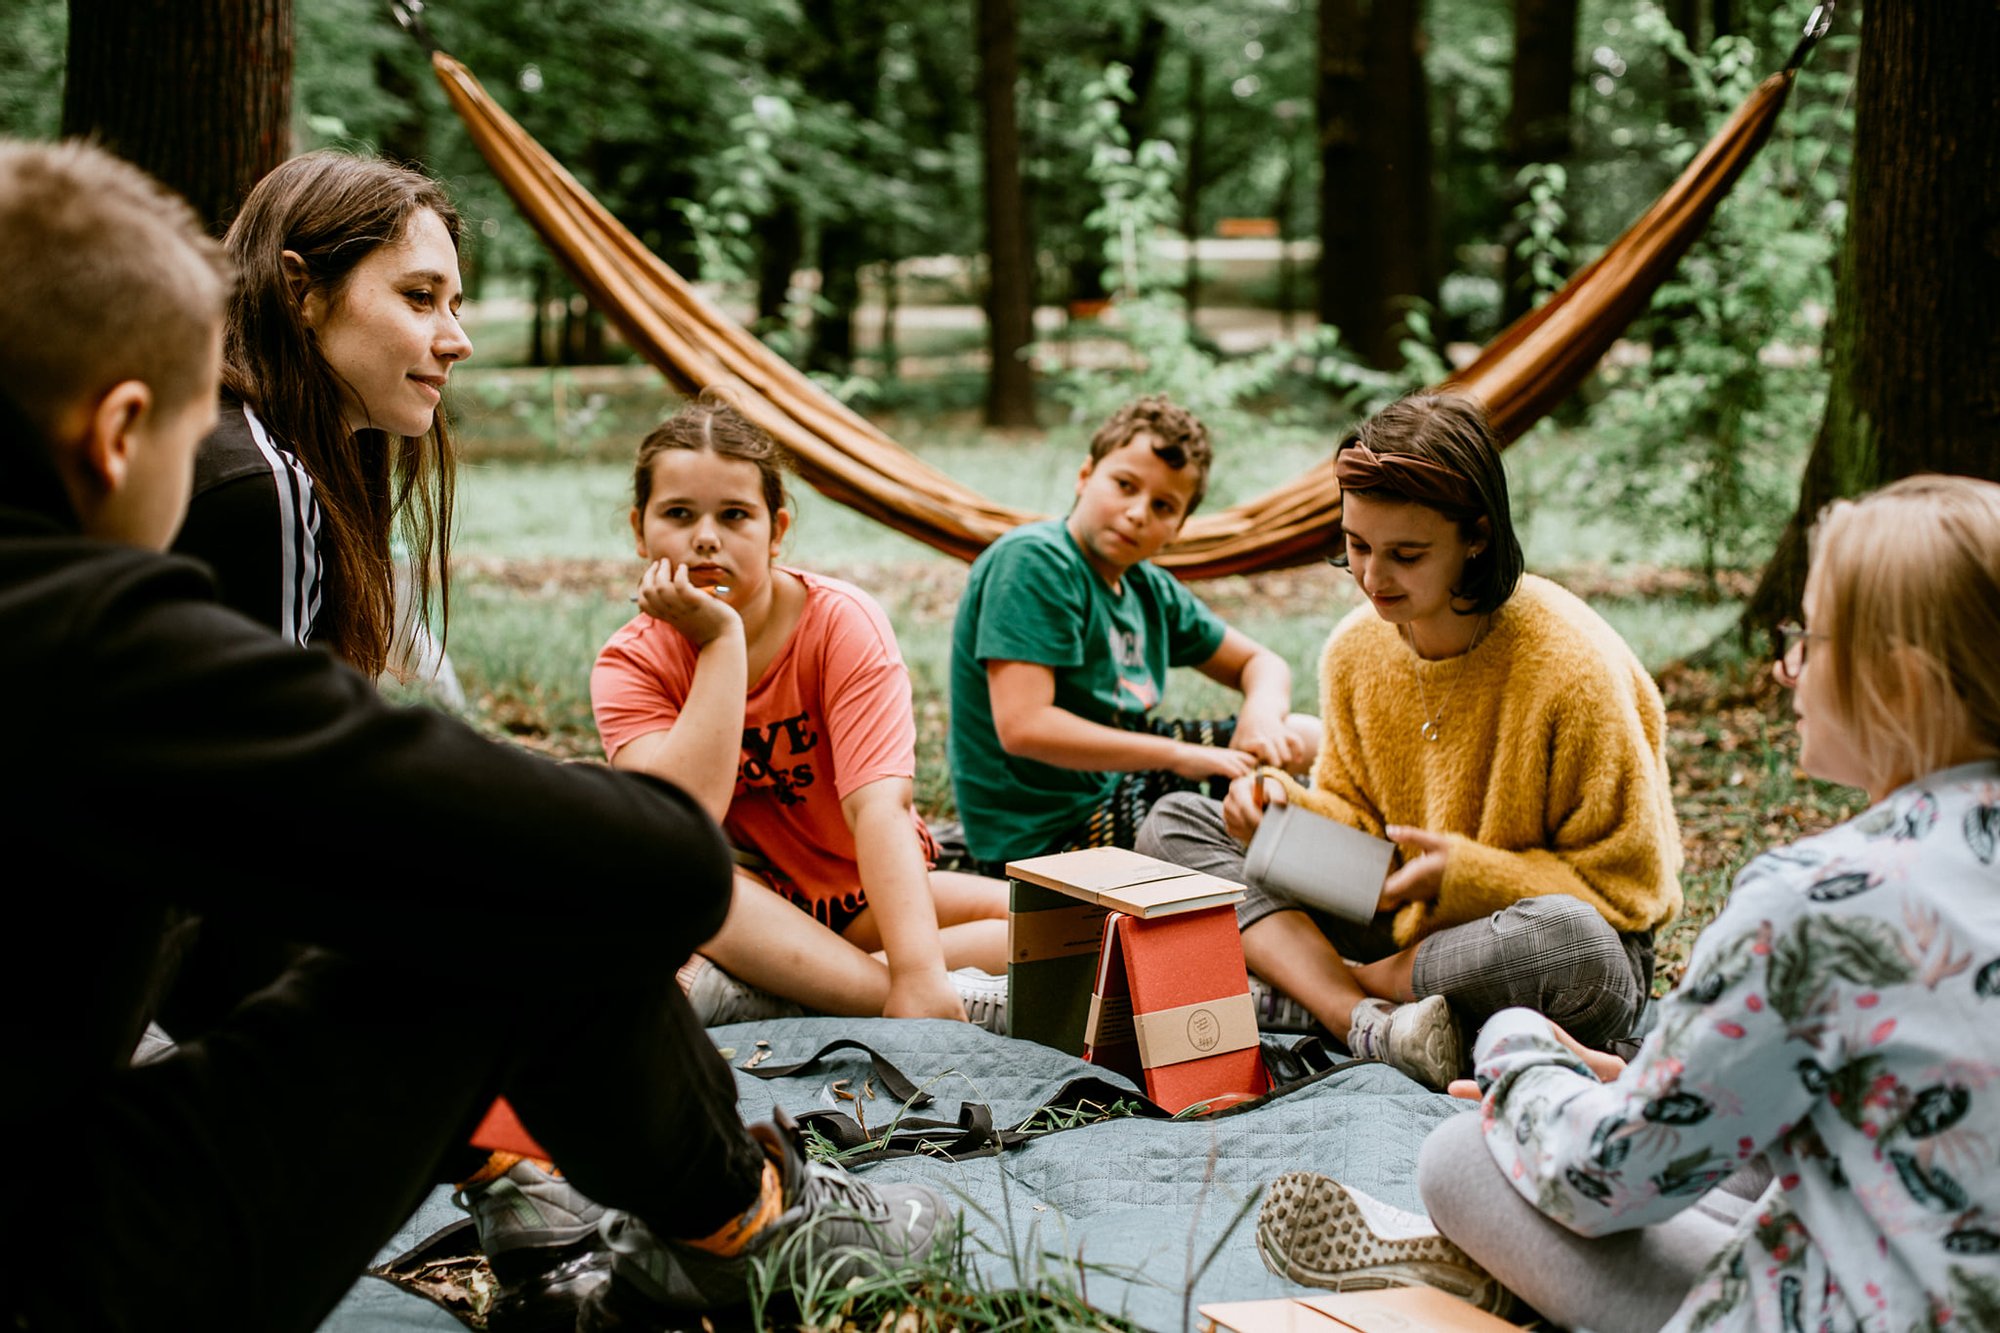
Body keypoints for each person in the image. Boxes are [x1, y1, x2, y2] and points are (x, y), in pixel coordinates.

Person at [0, 138, 948, 1333]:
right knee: (534, 898)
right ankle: (755, 1228)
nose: (456, 336)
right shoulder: (139, 580)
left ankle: (639, 1214)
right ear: (121, 432)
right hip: (61, 1268)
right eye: (204, 417)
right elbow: (640, 860)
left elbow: (222, 900)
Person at [1395, 474, 2000, 1333]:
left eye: (1809, 637)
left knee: (1462, 1154)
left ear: (1898, 681)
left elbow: (1606, 1174)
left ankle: (1512, 1271)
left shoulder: (1819, 901)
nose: (1785, 664)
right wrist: (1645, 1076)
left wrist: (1518, 1051)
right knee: (1759, 1138)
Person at [1137, 393, 1683, 1088]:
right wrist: (1280, 809)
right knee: (1174, 823)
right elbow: (1359, 826)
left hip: (1532, 949)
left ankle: (1315, 989)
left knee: (1570, 944)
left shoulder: (1573, 663)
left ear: (1477, 536)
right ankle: (1357, 1016)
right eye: (1356, 545)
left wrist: (1466, 875)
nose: (1370, 576)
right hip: (1393, 916)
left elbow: (1628, 892)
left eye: (1406, 554)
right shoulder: (1354, 650)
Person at [591, 394, 1010, 1027]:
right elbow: (681, 829)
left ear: (777, 531)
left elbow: (879, 806)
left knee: (1055, 925)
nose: (707, 538)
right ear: (639, 528)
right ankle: (892, 999)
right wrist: (720, 642)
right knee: (684, 883)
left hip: (864, 897)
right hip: (737, 911)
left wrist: (922, 969)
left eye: (735, 515)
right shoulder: (631, 663)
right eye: (679, 513)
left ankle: (788, 994)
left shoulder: (841, 621)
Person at [948, 394, 1318, 874]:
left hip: (1121, 778)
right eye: (1125, 485)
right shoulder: (1035, 562)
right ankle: (1318, 899)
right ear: (1085, 476)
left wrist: (1261, 716)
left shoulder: (1145, 587)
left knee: (1300, 736)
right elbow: (1024, 727)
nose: (1138, 512)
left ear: (1178, 529)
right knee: (1192, 824)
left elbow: (1261, 664)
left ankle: (1353, 885)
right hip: (1048, 833)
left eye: (1163, 506)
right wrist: (1179, 756)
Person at [173, 149, 467, 676]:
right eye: (420, 296)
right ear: (299, 291)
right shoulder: (260, 482)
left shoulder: (211, 432)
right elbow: (276, 747)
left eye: (454, 306)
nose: (457, 342)